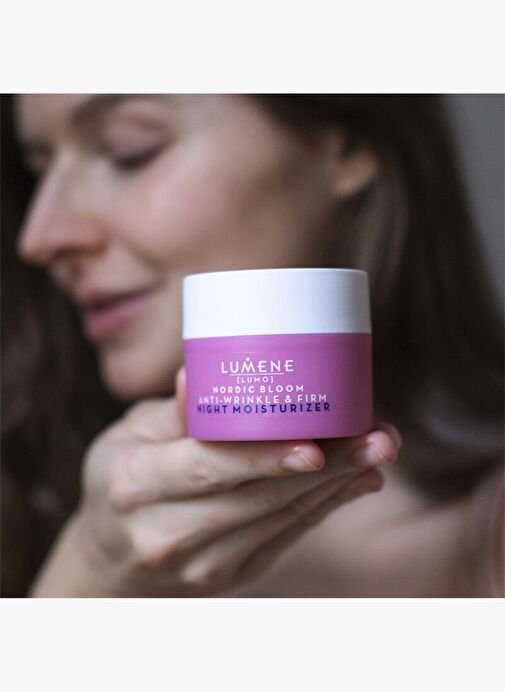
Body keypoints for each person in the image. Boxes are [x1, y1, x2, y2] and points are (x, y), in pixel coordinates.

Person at [1, 94, 503, 597]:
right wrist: (89, 571)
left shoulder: (486, 541)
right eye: (38, 172)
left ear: (346, 144)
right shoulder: (24, 496)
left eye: (130, 153)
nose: (39, 237)